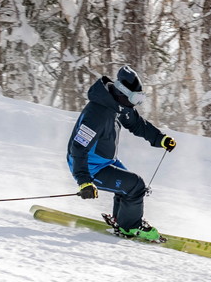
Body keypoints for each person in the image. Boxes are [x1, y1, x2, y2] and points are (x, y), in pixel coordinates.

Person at [66, 65, 176, 243]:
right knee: (135, 186)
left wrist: (159, 139)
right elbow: (78, 148)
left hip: (104, 160)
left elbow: (136, 124)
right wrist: (84, 180)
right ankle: (130, 227)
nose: (136, 103)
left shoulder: (119, 105)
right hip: (89, 166)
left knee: (129, 185)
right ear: (122, 92)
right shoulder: (97, 114)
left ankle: (121, 220)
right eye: (135, 97)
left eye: (140, 98)